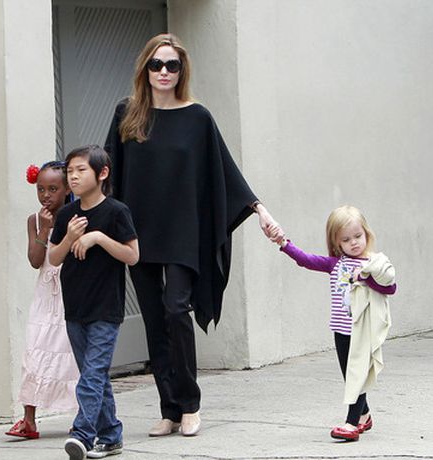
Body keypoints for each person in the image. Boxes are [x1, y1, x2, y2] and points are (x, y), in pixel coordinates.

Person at [104, 33, 283, 437]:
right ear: (145, 69)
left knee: (175, 310)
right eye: (157, 64)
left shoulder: (197, 117)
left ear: (182, 71)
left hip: (182, 232)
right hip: (138, 231)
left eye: (172, 65)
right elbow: (107, 169)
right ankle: (169, 409)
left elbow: (225, 171)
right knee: (153, 320)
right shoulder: (126, 114)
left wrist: (259, 210)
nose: (164, 72)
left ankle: (190, 404)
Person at [275, 205, 396, 442]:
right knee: (350, 377)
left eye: (358, 236)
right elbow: (306, 260)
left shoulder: (373, 264)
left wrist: (365, 278)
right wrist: (284, 244)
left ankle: (351, 423)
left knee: (357, 376)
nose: (354, 243)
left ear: (366, 233)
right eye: (346, 239)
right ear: (337, 243)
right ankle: (365, 415)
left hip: (363, 331)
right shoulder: (336, 264)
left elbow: (390, 288)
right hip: (341, 330)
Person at [49, 146, 139, 460]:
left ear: (102, 173)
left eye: (81, 170)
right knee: (95, 375)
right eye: (69, 171)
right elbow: (53, 258)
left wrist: (97, 237)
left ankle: (82, 434)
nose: (73, 177)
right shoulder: (66, 215)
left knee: (92, 373)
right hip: (75, 306)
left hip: (106, 307)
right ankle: (111, 436)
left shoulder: (116, 212)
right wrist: (70, 238)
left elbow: (133, 255)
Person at [6, 160, 79, 439]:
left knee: (72, 356)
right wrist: (44, 230)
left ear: (66, 189)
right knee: (35, 352)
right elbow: (36, 261)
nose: (46, 195)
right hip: (45, 296)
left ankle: (82, 416)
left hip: (70, 294)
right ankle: (29, 419)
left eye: (52, 189)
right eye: (40, 189)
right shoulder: (34, 220)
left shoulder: (76, 218)